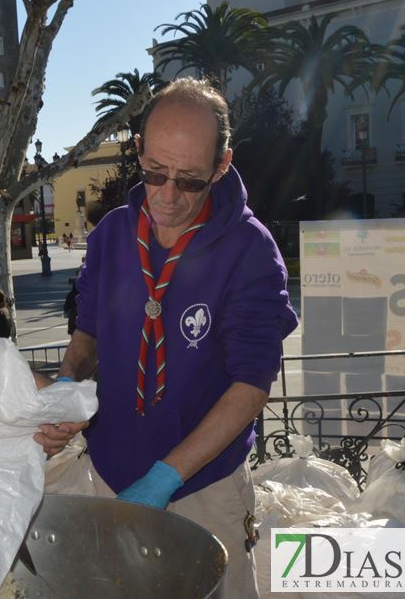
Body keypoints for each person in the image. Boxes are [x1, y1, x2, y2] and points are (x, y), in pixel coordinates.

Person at [53, 78, 298, 598]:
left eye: (189, 181)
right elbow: (87, 334)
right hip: (109, 477)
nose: (166, 196)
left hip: (204, 488)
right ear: (139, 149)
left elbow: (251, 385)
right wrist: (65, 383)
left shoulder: (251, 251)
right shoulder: (111, 235)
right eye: (154, 172)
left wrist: (165, 477)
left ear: (221, 164)